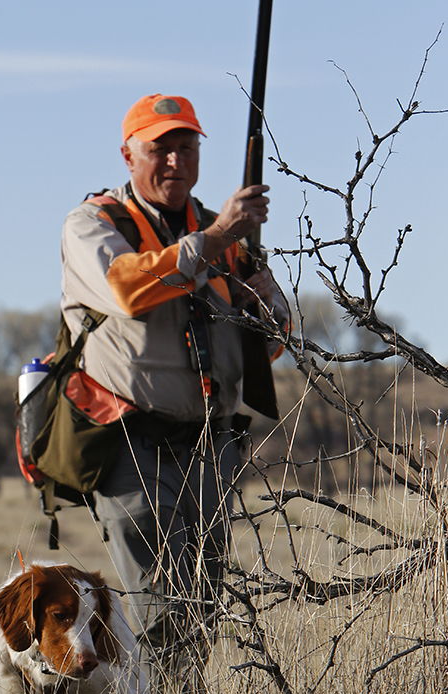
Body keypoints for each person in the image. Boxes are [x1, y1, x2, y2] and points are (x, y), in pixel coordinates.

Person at [60, 94, 287, 659]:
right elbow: (128, 290)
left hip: (213, 445)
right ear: (128, 154)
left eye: (187, 148)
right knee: (161, 611)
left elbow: (274, 344)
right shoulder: (92, 224)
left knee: (203, 611)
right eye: (160, 149)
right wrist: (215, 243)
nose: (175, 162)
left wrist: (269, 310)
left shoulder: (220, 229)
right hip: (132, 442)